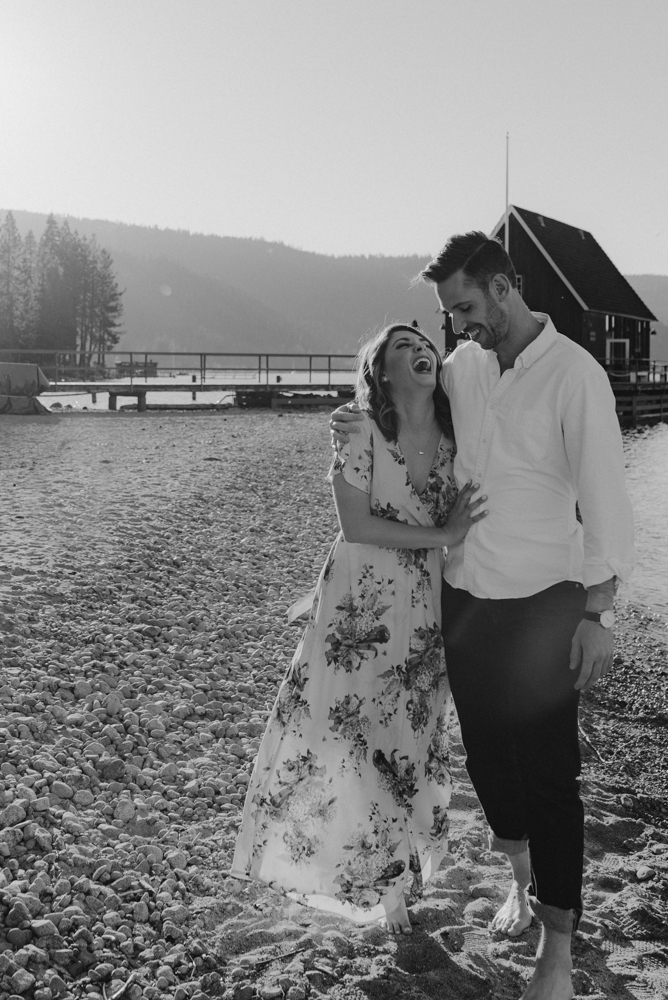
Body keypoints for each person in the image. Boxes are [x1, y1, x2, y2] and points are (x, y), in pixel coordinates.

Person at [330, 234, 634, 1000]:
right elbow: (399, 416)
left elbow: (606, 498)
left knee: (552, 776)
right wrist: (353, 422)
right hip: (463, 600)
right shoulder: (463, 367)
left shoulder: (576, 376)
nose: (458, 325)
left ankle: (557, 953)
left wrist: (598, 611)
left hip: (545, 602)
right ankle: (521, 881)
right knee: (488, 763)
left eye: (465, 307)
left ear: (506, 287)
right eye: (448, 313)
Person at [232, 323, 487, 935]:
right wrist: (444, 536)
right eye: (402, 347)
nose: (420, 349)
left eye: (424, 341)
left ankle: (401, 872)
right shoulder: (362, 429)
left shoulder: (460, 435)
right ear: (380, 374)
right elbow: (355, 525)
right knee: (355, 732)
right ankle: (387, 889)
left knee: (412, 735)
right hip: (360, 609)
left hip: (425, 608)